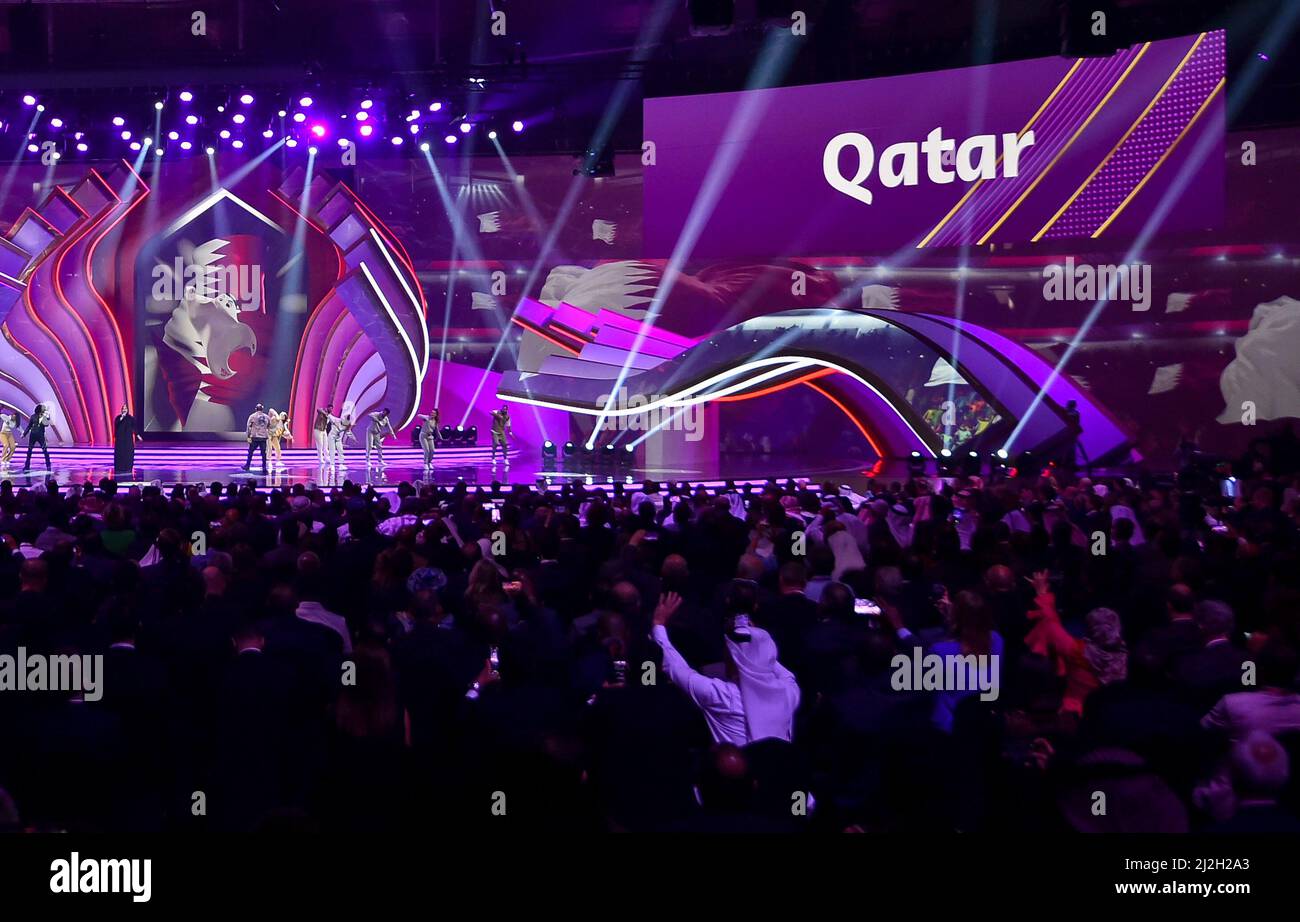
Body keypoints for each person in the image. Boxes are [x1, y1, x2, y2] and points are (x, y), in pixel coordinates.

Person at [650, 582, 800, 745]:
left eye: (728, 653)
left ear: (736, 660)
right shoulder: (789, 692)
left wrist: (659, 624)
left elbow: (675, 667)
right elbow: (771, 661)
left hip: (737, 770)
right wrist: (756, 640)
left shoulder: (722, 696)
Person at [22, 403, 51, 472]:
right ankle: (26, 466)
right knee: (29, 451)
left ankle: (48, 466)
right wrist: (24, 434)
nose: (44, 408)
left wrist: (47, 417)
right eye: (43, 407)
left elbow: (46, 425)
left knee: (45, 450)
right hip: (33, 435)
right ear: (40, 409)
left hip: (41, 435)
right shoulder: (33, 416)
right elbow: (29, 426)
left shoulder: (45, 416)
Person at [243, 403, 271, 474]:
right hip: (263, 438)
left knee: (250, 452)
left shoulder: (252, 416)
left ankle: (247, 465)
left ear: (256, 409)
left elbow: (248, 427)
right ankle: (264, 467)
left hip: (255, 437)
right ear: (262, 409)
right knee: (263, 453)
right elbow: (268, 426)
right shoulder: (267, 417)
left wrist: (248, 436)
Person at [113, 404, 139, 477]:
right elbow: (116, 426)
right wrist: (122, 418)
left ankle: (127, 467)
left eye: (125, 408)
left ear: (127, 410)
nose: (124, 410)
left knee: (128, 453)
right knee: (120, 453)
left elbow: (134, 427)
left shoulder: (131, 418)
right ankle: (119, 467)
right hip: (120, 440)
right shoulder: (118, 418)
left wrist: (137, 435)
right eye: (123, 408)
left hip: (128, 440)